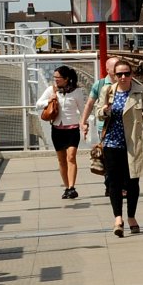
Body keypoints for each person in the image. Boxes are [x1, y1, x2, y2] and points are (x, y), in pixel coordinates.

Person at [81, 60, 143, 236]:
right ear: (114, 76)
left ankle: (131, 216)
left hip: (134, 144)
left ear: (132, 74)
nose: (123, 77)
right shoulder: (107, 90)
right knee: (114, 182)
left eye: (127, 73)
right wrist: (105, 111)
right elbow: (99, 113)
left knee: (133, 182)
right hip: (111, 143)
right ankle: (118, 219)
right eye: (119, 74)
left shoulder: (140, 91)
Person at [38, 64, 84, 198]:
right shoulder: (51, 90)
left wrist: (85, 124)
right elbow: (38, 104)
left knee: (71, 157)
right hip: (57, 129)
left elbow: (82, 109)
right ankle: (66, 187)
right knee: (61, 160)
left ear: (67, 78)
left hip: (72, 128)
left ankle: (72, 187)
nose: (56, 80)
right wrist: (49, 100)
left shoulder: (77, 91)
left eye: (58, 78)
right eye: (54, 77)